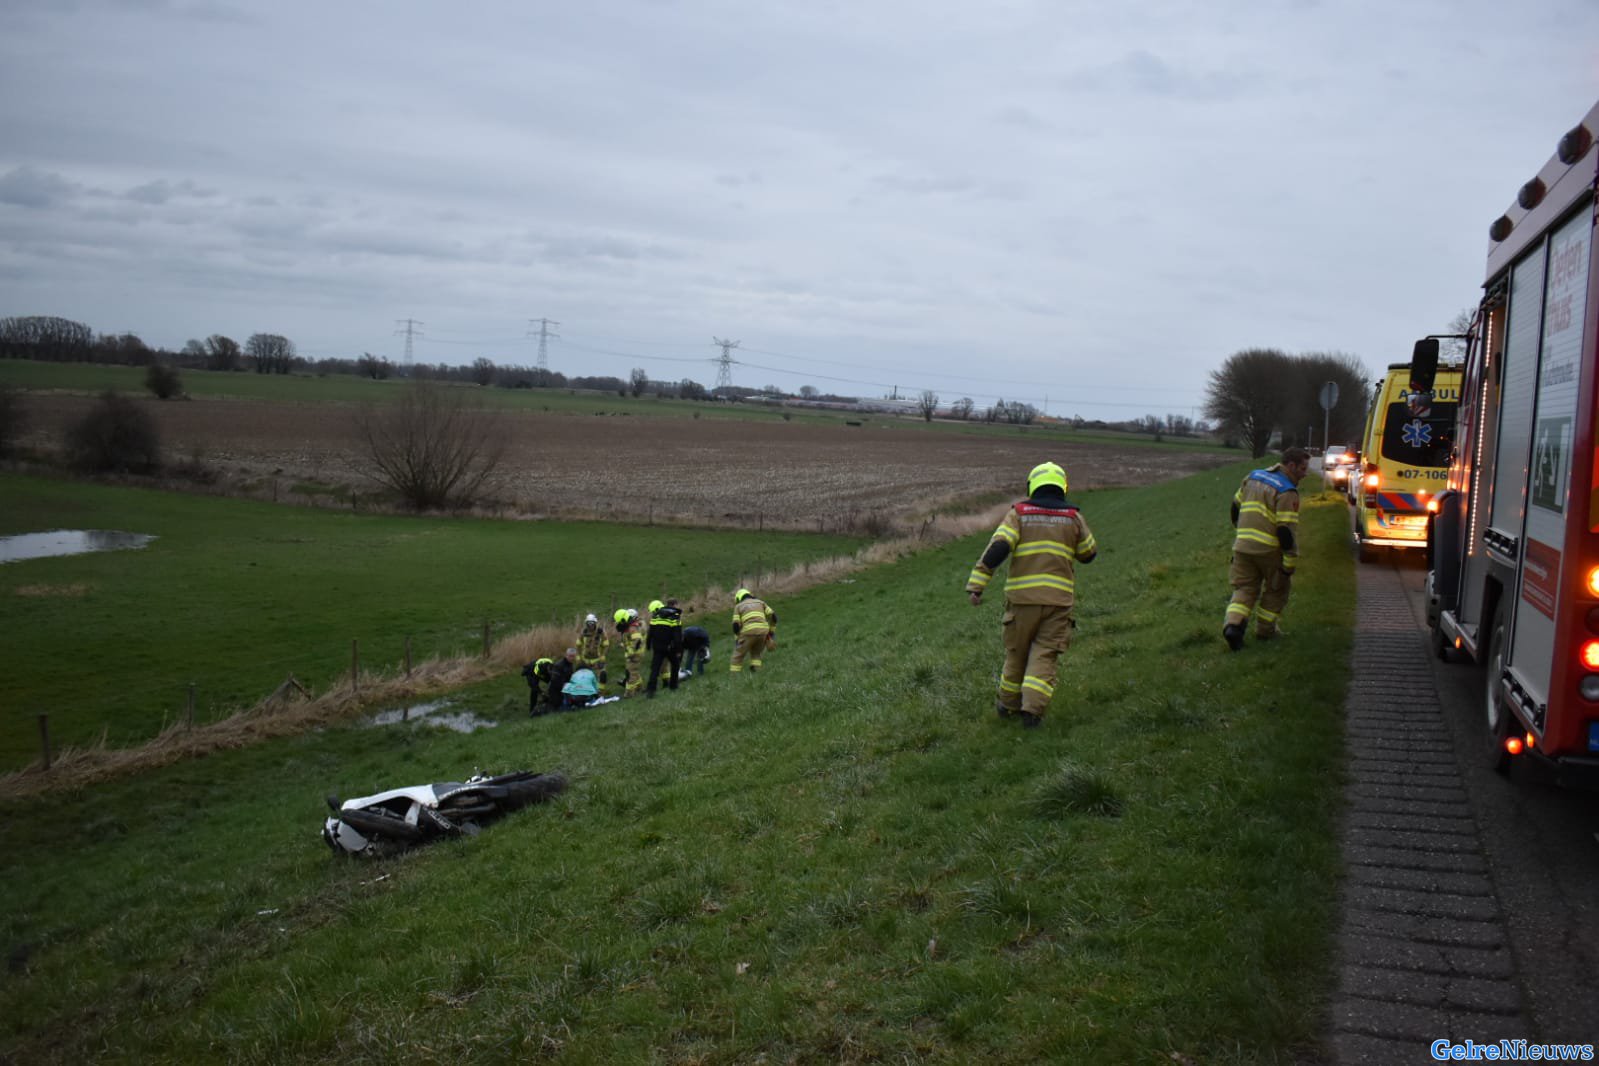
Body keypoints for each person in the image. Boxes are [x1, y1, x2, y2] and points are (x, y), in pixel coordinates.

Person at [965, 461, 1097, 729]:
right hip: (1058, 603)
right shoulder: (1074, 517)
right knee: (1044, 655)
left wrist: (977, 585)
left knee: (1017, 653)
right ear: (1062, 486)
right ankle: (1032, 713)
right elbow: (1089, 554)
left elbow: (998, 548)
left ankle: (1007, 705)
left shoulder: (1019, 514)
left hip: (1022, 601)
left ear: (1032, 486)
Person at [1223, 446, 1310, 650]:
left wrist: (1241, 532)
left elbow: (1235, 506)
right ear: (1291, 465)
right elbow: (1285, 532)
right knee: (1276, 589)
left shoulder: (1253, 477)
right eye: (1303, 468)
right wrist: (1289, 565)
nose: (1305, 473)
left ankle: (1233, 627)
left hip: (1242, 547)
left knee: (1244, 589)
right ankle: (1266, 632)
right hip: (1269, 551)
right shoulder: (1287, 491)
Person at [729, 588, 775, 674]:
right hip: (763, 632)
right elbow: (774, 617)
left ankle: (734, 677)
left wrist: (739, 639)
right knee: (756, 653)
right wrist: (771, 633)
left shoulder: (738, 606)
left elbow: (735, 626)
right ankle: (756, 671)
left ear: (739, 598)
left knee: (737, 656)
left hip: (748, 632)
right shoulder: (760, 602)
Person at [645, 598, 684, 699]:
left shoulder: (656, 616)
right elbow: (677, 635)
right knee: (675, 664)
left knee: (655, 668)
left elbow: (650, 632)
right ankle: (673, 686)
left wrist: (648, 644)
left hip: (657, 647)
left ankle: (651, 690)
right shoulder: (675, 616)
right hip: (670, 647)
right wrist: (679, 649)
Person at [614, 607, 647, 698]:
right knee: (634, 671)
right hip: (633, 654)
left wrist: (630, 653)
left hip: (634, 655)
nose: (618, 623)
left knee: (630, 674)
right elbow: (629, 640)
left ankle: (629, 693)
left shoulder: (632, 628)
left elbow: (636, 641)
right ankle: (640, 687)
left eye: (619, 621)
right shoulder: (629, 627)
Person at [575, 613, 610, 687]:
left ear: (595, 623)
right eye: (589, 623)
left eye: (592, 623)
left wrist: (603, 656)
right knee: (585, 677)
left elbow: (606, 645)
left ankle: (601, 691)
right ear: (586, 623)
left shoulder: (600, 632)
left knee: (602, 675)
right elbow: (578, 644)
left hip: (597, 659)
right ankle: (588, 692)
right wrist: (578, 656)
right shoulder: (583, 632)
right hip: (585, 659)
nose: (590, 625)